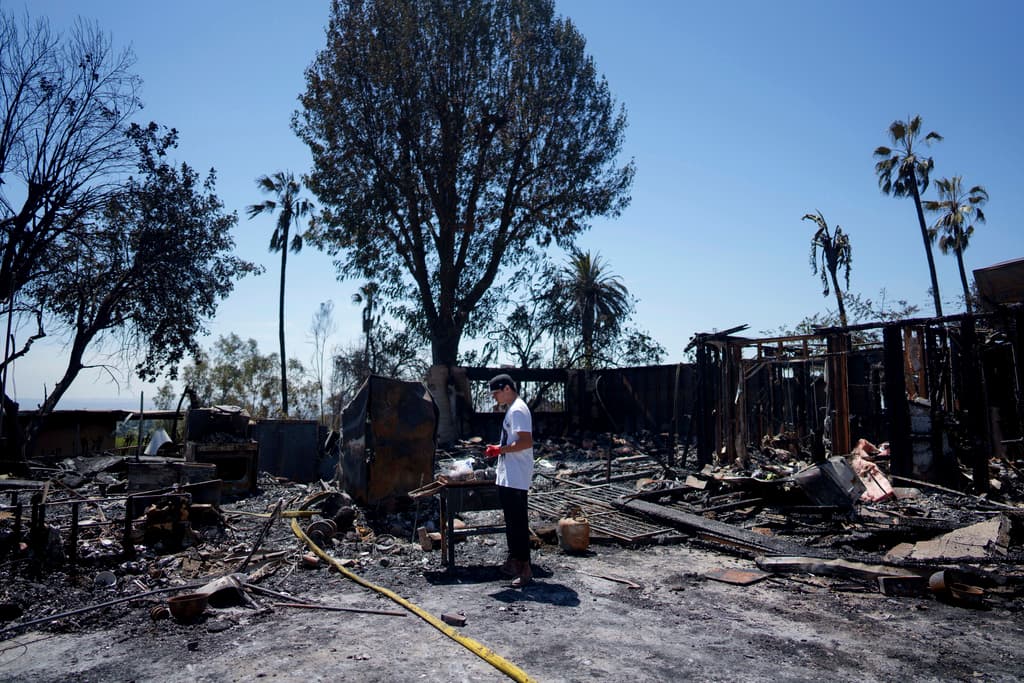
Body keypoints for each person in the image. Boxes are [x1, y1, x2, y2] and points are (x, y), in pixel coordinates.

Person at [484, 373, 534, 587]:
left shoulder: (518, 410)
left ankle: (525, 568)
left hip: (517, 474)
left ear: (506, 388)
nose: (495, 397)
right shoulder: (512, 410)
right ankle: (515, 560)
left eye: (496, 393)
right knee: (512, 522)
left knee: (518, 522)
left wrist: (499, 449)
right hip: (509, 474)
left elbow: (525, 442)